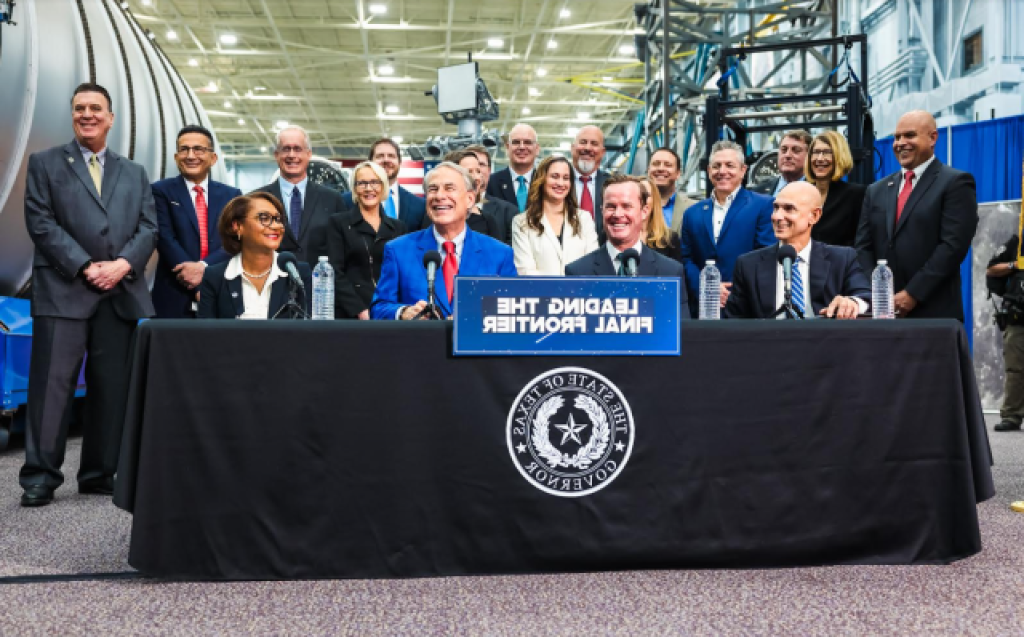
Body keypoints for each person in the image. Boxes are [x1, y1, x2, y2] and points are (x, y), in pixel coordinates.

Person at [20, 83, 157, 506]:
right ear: (73, 115)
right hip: (65, 289)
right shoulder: (44, 164)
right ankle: (41, 476)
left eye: (96, 108)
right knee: (51, 387)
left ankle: (99, 471)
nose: (87, 114)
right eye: (79, 108)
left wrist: (122, 265)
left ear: (111, 117)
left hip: (119, 293)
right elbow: (40, 222)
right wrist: (85, 265)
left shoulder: (133, 172)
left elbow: (148, 228)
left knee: (111, 389)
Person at [854, 110, 978, 320]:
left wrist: (913, 294)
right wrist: (877, 294)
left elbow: (952, 246)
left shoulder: (955, 183)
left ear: (933, 138)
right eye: (896, 137)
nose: (900, 143)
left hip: (934, 313)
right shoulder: (876, 190)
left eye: (909, 135)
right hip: (882, 314)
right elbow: (863, 247)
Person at [371, 162, 517, 320]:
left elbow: (513, 310)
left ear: (469, 199)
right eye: (433, 189)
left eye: (449, 188)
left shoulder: (500, 254)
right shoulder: (398, 250)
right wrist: (403, 312)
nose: (439, 196)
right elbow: (379, 308)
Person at [725, 182, 870, 319]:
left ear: (814, 216)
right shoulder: (748, 265)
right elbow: (734, 322)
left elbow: (866, 296)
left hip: (824, 343)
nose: (777, 216)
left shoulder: (842, 258)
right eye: (776, 208)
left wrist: (852, 302)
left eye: (789, 208)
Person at [152, 125, 242, 318]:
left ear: (213, 158)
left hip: (221, 288)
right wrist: (193, 281)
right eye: (184, 149)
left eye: (199, 149)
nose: (191, 156)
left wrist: (203, 268)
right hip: (173, 292)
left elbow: (235, 241)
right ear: (176, 157)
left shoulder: (232, 196)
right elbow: (165, 238)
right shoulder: (160, 191)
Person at [679, 140, 775, 317]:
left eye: (730, 165)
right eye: (716, 166)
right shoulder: (692, 213)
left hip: (746, 308)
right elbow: (687, 259)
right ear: (709, 171)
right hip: (702, 309)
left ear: (743, 170)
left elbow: (765, 255)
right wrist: (706, 288)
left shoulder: (763, 206)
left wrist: (733, 292)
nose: (722, 171)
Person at [565, 175, 688, 311]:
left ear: (644, 211)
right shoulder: (577, 272)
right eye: (611, 207)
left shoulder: (670, 272)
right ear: (602, 211)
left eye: (626, 206)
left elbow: (681, 330)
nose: (618, 214)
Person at [197, 192, 311, 319]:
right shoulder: (215, 276)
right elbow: (205, 334)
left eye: (278, 219)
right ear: (237, 226)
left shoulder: (297, 274)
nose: (276, 226)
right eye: (264, 218)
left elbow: (310, 331)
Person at [251, 125, 345, 267]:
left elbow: (342, 249)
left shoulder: (333, 200)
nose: (292, 155)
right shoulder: (255, 200)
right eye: (286, 149)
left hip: (319, 285)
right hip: (270, 285)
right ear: (276, 155)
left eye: (298, 149)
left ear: (309, 154)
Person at [327, 161, 408, 319]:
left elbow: (402, 274)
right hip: (350, 313)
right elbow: (335, 271)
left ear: (383, 186)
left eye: (374, 182)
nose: (369, 188)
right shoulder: (338, 223)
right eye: (362, 183)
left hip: (390, 311)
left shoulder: (399, 228)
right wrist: (360, 310)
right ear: (355, 188)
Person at [511, 156, 599, 275]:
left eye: (566, 178)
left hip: (579, 292)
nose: (560, 183)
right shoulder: (521, 222)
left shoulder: (584, 218)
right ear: (542, 180)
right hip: (538, 293)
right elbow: (525, 271)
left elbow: (592, 264)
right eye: (554, 176)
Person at [420, 150, 504, 242]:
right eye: (469, 172)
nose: (477, 177)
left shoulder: (489, 221)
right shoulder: (434, 217)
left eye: (478, 171)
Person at [342, 138, 426, 230]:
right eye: (380, 156)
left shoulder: (419, 206)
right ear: (370, 162)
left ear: (399, 162)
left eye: (391, 156)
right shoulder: (345, 201)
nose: (386, 160)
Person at [986, 234, 1024, 431]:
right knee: (1015, 368)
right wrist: (1015, 265)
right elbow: (992, 268)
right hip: (1018, 317)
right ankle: (1012, 415)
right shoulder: (1017, 242)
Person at [804, 131, 865, 247]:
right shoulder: (800, 192)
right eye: (816, 152)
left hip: (841, 263)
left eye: (827, 152)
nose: (820, 158)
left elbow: (861, 242)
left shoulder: (855, 195)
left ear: (839, 156)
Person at [466, 143, 518, 243]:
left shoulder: (508, 212)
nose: (477, 170)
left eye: (481, 164)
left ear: (489, 171)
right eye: (470, 166)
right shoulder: (445, 207)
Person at [486, 123, 539, 212]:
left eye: (527, 142)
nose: (522, 147)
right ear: (507, 147)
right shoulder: (491, 183)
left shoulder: (545, 182)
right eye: (516, 142)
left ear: (537, 149)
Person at [570, 125, 610, 238]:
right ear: (573, 148)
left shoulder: (611, 184)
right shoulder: (558, 183)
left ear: (602, 152)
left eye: (594, 144)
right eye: (583, 142)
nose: (587, 148)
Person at [647, 147, 696, 236]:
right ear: (648, 170)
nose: (661, 168)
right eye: (656, 164)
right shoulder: (636, 206)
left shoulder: (694, 209)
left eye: (668, 165)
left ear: (678, 174)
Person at [749, 130, 811, 196]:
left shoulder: (819, 190)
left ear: (809, 156)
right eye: (784, 150)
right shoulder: (757, 192)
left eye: (796, 150)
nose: (787, 155)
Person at [639, 177, 683, 262]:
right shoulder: (614, 235)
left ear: (654, 201)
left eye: (645, 195)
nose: (641, 200)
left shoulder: (670, 239)